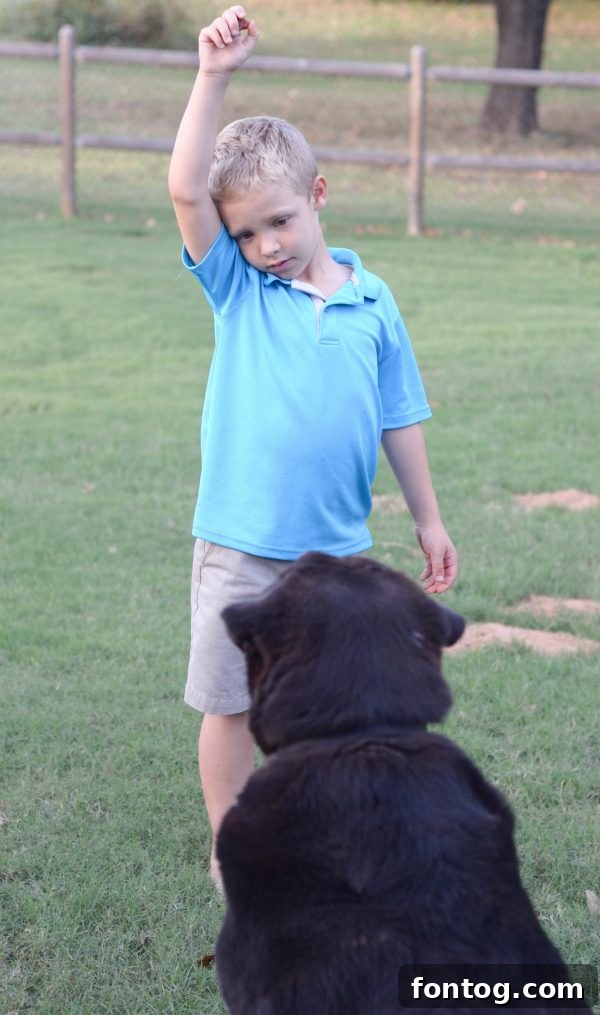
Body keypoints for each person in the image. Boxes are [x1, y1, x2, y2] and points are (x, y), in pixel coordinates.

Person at [168, 5, 458, 889]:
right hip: (241, 547)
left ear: (319, 195)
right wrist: (213, 76)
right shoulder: (240, 292)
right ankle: (233, 841)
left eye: (280, 223)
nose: (265, 247)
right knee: (230, 704)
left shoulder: (375, 303)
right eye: (247, 233)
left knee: (330, 712)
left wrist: (429, 517)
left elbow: (397, 416)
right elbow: (186, 190)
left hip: (335, 558)